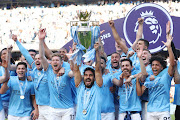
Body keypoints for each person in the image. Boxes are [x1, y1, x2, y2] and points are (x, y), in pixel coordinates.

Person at [136, 33, 175, 120]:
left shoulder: (166, 76)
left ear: (161, 67)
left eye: (157, 65)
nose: (154, 67)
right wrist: (137, 80)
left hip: (163, 111)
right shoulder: (149, 78)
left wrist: (169, 47)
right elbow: (139, 93)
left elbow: (172, 64)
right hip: (150, 111)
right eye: (153, 65)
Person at [38, 28, 74, 120]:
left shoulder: (66, 71)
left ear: (61, 63)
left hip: (68, 109)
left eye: (57, 60)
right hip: (53, 109)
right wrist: (41, 40)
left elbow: (74, 73)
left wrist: (72, 58)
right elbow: (42, 56)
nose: (55, 62)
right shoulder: (48, 70)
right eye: (53, 60)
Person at [0, 53, 38, 120]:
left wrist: (36, 109)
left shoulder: (30, 83)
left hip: (26, 113)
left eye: (23, 69)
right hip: (12, 113)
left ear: (26, 70)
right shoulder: (12, 79)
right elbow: (2, 91)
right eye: (19, 69)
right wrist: (6, 82)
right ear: (16, 71)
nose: (21, 70)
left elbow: (33, 98)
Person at [74, 42, 103, 120]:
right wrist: (76, 51)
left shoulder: (97, 87)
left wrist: (97, 51)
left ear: (94, 77)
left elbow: (97, 69)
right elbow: (76, 70)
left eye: (90, 75)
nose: (88, 77)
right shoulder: (80, 87)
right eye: (86, 75)